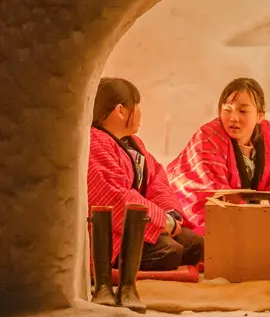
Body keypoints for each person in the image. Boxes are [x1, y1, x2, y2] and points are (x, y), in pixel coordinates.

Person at [85, 76, 202, 271]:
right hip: (114, 232)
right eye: (136, 105)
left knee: (196, 245)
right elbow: (113, 195)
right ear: (120, 110)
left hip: (143, 220)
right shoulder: (95, 142)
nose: (139, 112)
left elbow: (156, 178)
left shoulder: (134, 143)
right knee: (169, 252)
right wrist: (161, 221)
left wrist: (170, 214)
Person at [164, 77, 270, 238]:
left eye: (243, 111)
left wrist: (269, 219)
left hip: (255, 217)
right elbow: (209, 195)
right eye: (227, 109)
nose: (233, 118)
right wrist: (252, 222)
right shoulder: (208, 137)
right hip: (200, 219)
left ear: (260, 116)